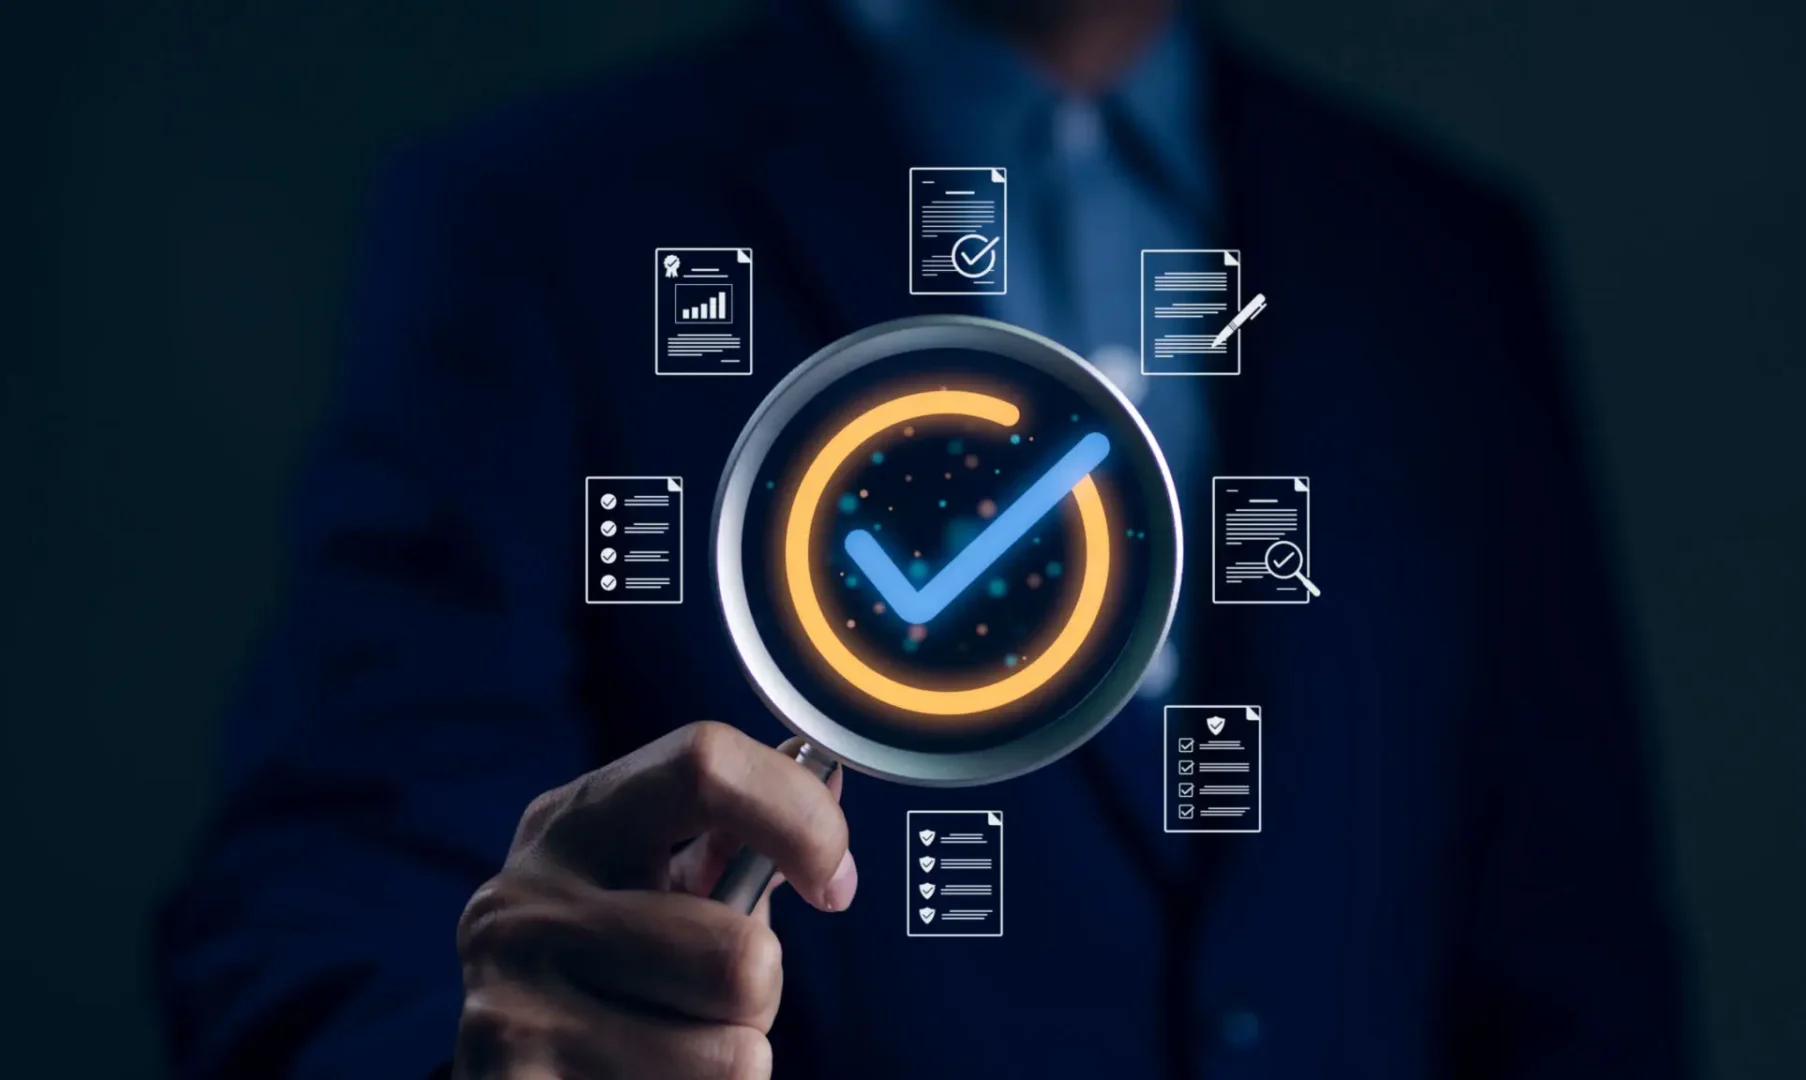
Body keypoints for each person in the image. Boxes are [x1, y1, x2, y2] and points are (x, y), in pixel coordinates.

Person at [155, 0, 1690, 1077]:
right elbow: (322, 901)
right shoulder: (542, 225)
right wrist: (497, 1056)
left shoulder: (1439, 258)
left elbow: (1571, 958)